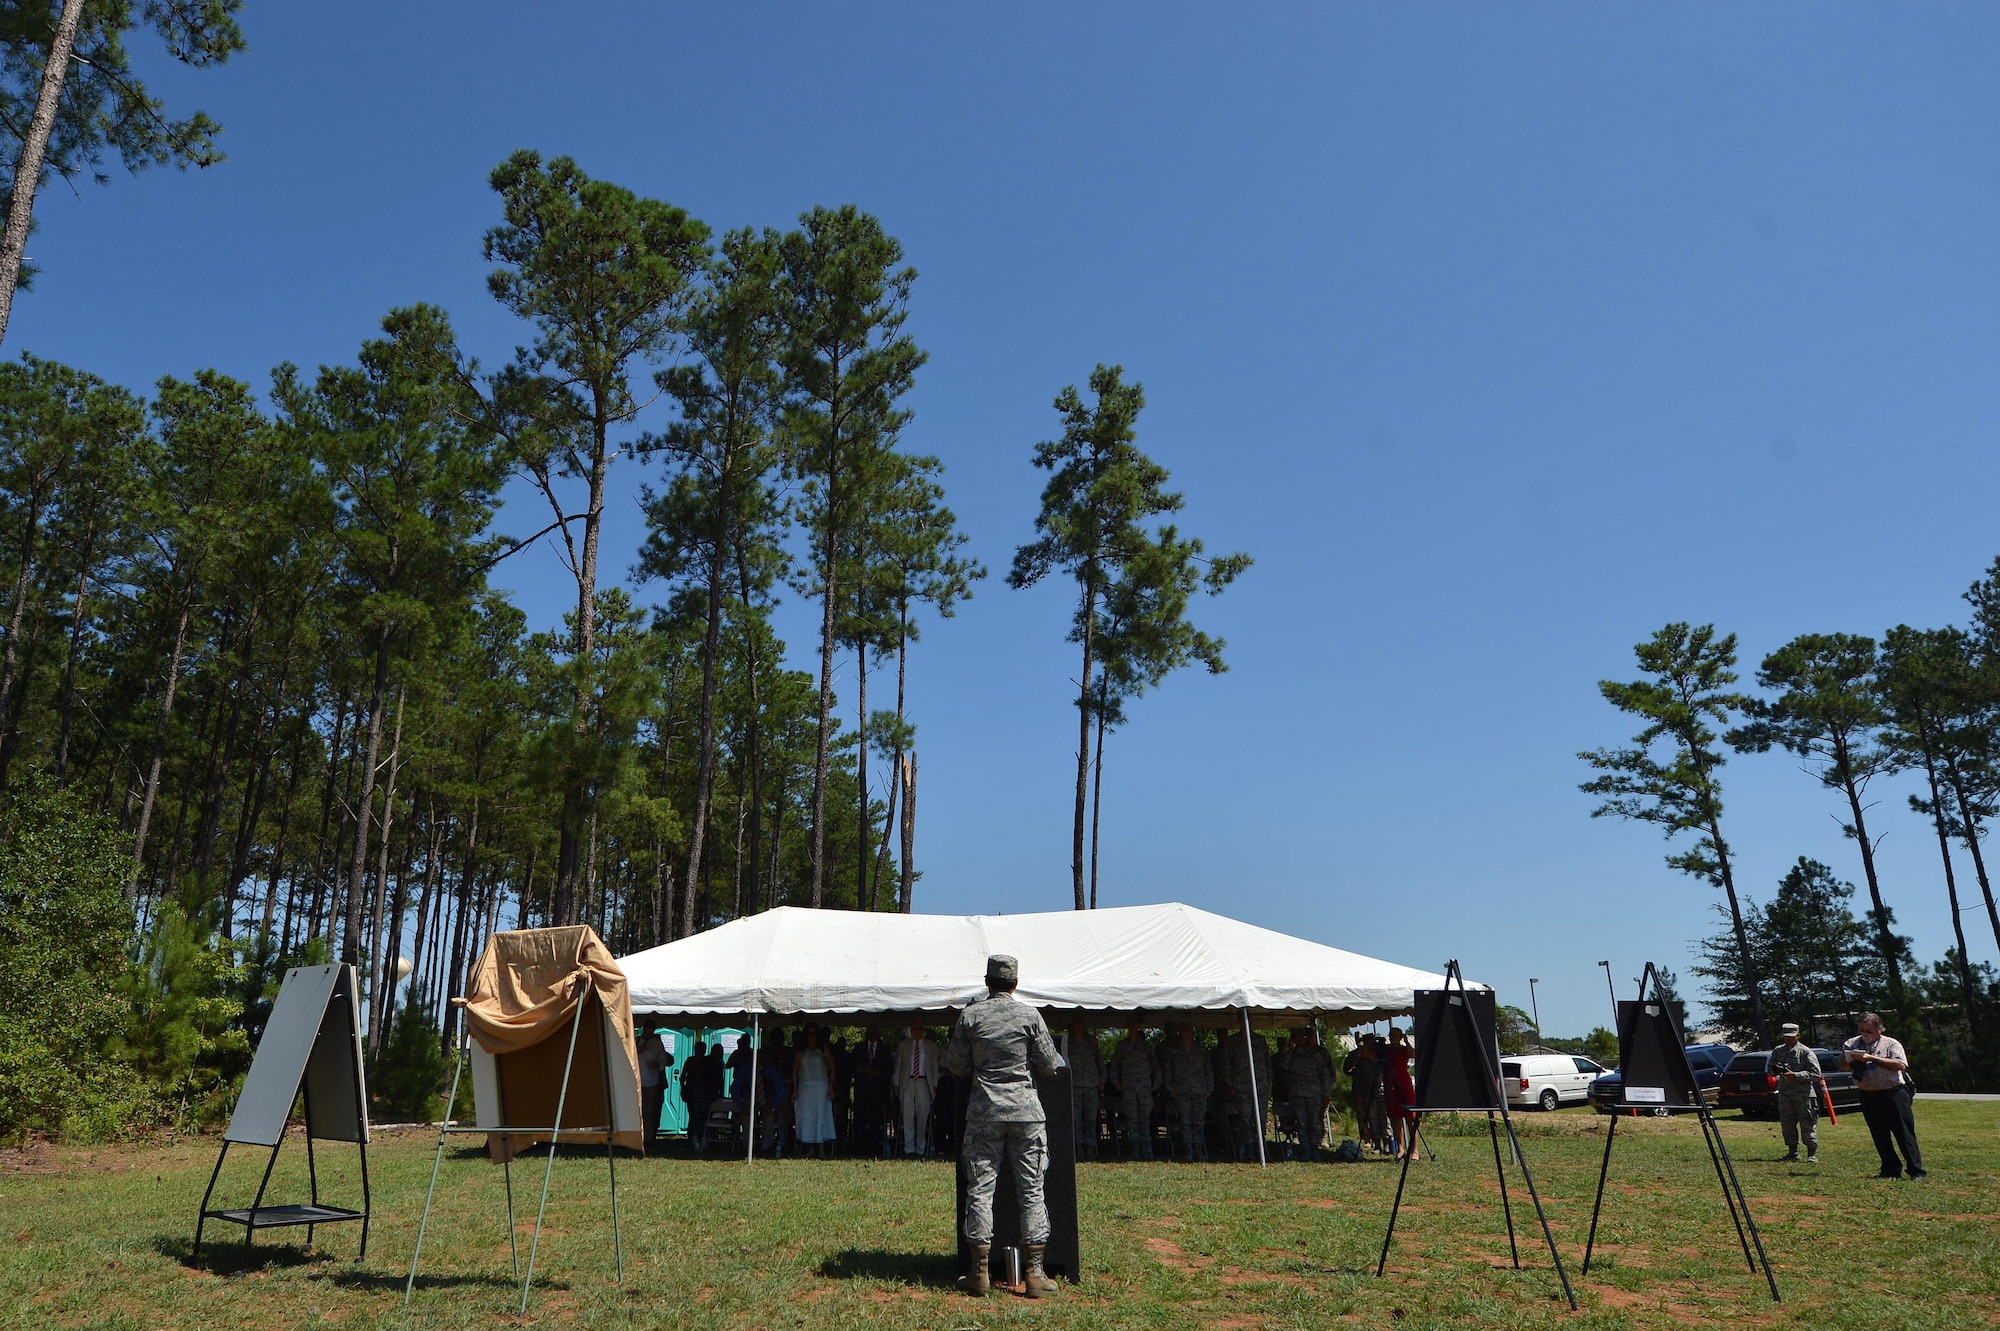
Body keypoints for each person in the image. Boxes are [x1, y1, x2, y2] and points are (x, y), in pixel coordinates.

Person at [946, 954, 1062, 1299]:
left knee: (980, 1191)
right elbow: (1048, 1064)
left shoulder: (970, 1016)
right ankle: (1035, 1275)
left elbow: (955, 1065)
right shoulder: (1030, 1016)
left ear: (987, 982)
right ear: (1015, 983)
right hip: (1027, 1115)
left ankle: (978, 1272)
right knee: (1031, 1192)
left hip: (984, 1114)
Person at [1843, 1012, 1925, 1180]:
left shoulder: (1891, 1044)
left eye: (1869, 1031)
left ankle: (1916, 1171)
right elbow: (1843, 1065)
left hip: (1893, 1094)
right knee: (1879, 1134)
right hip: (1868, 1095)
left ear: (1879, 1029)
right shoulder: (1851, 1043)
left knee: (1904, 1133)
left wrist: (1873, 1059)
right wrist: (1852, 1060)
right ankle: (1890, 1169)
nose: (1865, 1034)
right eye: (1862, 1030)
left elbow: (1900, 1065)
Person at [1158, 1023, 1214, 1161]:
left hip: (1199, 1090)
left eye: (1188, 1030)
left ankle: (1199, 1150)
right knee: (1185, 1121)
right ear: (1180, 1033)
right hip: (1181, 1091)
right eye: (1184, 1031)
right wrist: (1170, 1088)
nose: (1186, 1033)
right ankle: (1188, 1150)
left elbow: (1208, 1070)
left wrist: (1209, 1088)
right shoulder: (1174, 1051)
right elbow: (1168, 1071)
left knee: (1199, 1121)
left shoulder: (1201, 1050)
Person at [1768, 1022, 1822, 1164]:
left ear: (1798, 1035)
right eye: (1786, 1037)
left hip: (1803, 1094)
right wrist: (1776, 1070)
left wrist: (1796, 1075)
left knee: (1807, 1123)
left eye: (1791, 1036)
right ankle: (1793, 1152)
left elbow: (1816, 1074)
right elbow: (1770, 1069)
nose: (1788, 1039)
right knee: (1787, 1124)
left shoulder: (1805, 1052)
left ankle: (1812, 1154)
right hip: (1785, 1093)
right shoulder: (1778, 1051)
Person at [1284, 1028, 1337, 1162]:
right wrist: (1290, 1049)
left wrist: (1326, 1094)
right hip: (1297, 1094)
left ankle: (1315, 1149)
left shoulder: (1315, 1054)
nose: (1300, 1039)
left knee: (1314, 1122)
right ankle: (1305, 1149)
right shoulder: (1292, 1054)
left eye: (1302, 1037)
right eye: (1297, 1037)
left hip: (1314, 1093)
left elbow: (1325, 1075)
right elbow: (1283, 1067)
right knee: (1302, 1123)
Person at [1111, 1024, 1162, 1160]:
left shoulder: (1146, 1046)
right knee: (1132, 1118)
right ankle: (1136, 1147)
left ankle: (1147, 1147)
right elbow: (1114, 1064)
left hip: (1144, 1087)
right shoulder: (1122, 1046)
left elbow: (1155, 1065)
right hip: (1129, 1087)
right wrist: (1116, 1082)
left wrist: (1156, 1083)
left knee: (1145, 1117)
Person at [1226, 1025, 1273, 1161]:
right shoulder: (1233, 1041)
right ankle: (1249, 1147)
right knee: (1245, 1118)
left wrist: (1268, 1080)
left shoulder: (1260, 1040)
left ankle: (1260, 1146)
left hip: (1260, 1085)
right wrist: (1230, 1084)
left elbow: (1267, 1062)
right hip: (1242, 1086)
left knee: (1260, 1118)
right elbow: (1228, 1064)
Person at [896, 1021, 942, 1156]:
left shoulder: (931, 1046)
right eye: (915, 1029)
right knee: (908, 1115)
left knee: (923, 1116)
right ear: (911, 1029)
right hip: (908, 1081)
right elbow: (899, 1065)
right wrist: (896, 1083)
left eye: (920, 1029)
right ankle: (909, 1148)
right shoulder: (903, 1046)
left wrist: (935, 1085)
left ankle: (920, 1149)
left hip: (923, 1081)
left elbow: (934, 1067)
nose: (918, 1031)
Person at [793, 1024, 838, 1158]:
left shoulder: (823, 1050)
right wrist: (795, 1090)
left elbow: (833, 1068)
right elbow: (795, 1070)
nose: (810, 1037)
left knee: (820, 1117)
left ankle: (821, 1147)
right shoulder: (800, 1051)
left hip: (820, 1087)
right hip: (804, 1088)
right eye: (808, 1034)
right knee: (807, 1117)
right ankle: (810, 1147)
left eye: (813, 1034)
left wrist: (830, 1087)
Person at [850, 1024, 894, 1156]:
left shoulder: (884, 1049)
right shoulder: (859, 1048)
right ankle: (857, 1147)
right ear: (867, 1033)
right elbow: (851, 1066)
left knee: (875, 1120)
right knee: (859, 1118)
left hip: (877, 1091)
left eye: (875, 1031)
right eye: (870, 1031)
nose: (873, 1033)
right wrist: (861, 1069)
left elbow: (889, 1070)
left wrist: (878, 1073)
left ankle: (874, 1148)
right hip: (862, 1089)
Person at [1065, 1020, 1105, 1161]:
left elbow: (1100, 1061)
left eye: (1081, 1023)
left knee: (1091, 1118)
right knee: (1075, 1119)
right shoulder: (1067, 1043)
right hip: (1074, 1085)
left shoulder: (1091, 1042)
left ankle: (1091, 1147)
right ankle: (1079, 1147)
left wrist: (1102, 1079)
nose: (1079, 1026)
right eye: (1076, 1023)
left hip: (1091, 1084)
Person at [1345, 1033, 1388, 1154]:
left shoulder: (1380, 1054)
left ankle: (1387, 1143)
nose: (1369, 1044)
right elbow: (1347, 1069)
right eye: (1367, 1041)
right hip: (1365, 1091)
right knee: (1372, 1118)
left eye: (1372, 1041)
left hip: (1380, 1090)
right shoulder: (1359, 1055)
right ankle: (1376, 1144)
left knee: (1383, 1118)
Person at [637, 1024, 673, 1153]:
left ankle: (649, 1138)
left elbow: (667, 1060)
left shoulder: (657, 1043)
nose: (647, 1034)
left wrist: (657, 1064)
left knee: (650, 1111)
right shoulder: (635, 1041)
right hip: (636, 1082)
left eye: (650, 1032)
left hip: (652, 1082)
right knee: (637, 1111)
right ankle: (637, 1137)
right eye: (646, 1032)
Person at [1384, 1026, 1417, 1161]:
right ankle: (1400, 1149)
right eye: (1391, 1035)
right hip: (1391, 1086)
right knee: (1396, 1118)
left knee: (1411, 1118)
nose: (1393, 1038)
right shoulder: (1386, 1051)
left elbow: (1412, 1054)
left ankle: (1414, 1151)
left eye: (1396, 1035)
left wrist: (1406, 1041)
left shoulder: (1403, 1050)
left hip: (1404, 1084)